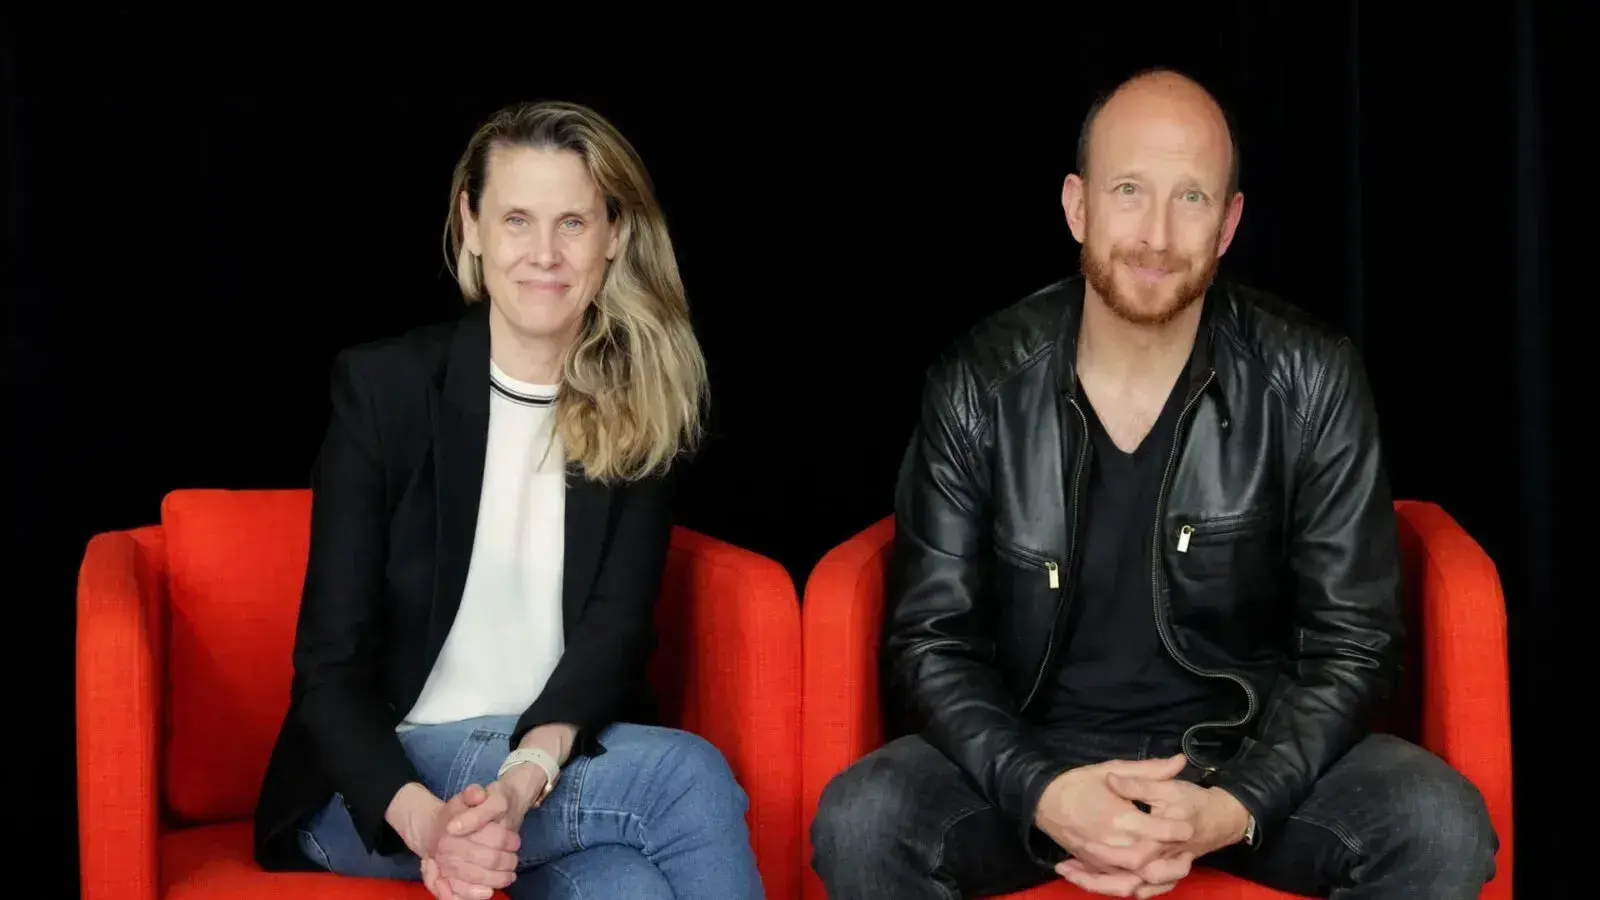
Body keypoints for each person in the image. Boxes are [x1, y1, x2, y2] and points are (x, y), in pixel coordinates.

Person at [810, 68, 1498, 899]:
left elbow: (1354, 642)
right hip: (1040, 750)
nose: (1158, 234)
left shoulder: (1311, 375)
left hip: (1245, 751)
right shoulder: (979, 381)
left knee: (1437, 822)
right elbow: (932, 642)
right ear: (1077, 206)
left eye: (1193, 198)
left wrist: (1236, 804)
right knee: (864, 818)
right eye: (1129, 190)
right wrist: (1042, 790)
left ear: (1230, 223)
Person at [252, 99, 765, 900]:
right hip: (384, 778)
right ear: (472, 225)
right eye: (518, 219)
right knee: (683, 776)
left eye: (573, 223)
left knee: (628, 888)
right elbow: (329, 673)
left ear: (614, 237)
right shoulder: (385, 390)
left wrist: (526, 775)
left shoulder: (640, 407)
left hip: (544, 767)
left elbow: (615, 635)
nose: (545, 253)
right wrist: (430, 828)